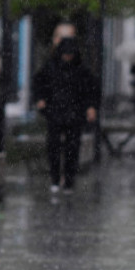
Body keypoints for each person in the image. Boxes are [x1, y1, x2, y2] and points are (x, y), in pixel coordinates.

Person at [33, 37, 99, 194]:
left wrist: (90, 107)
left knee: (72, 147)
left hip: (74, 113)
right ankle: (55, 179)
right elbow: (39, 83)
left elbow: (90, 89)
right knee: (54, 147)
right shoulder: (51, 68)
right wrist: (40, 99)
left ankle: (68, 180)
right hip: (55, 112)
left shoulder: (81, 71)